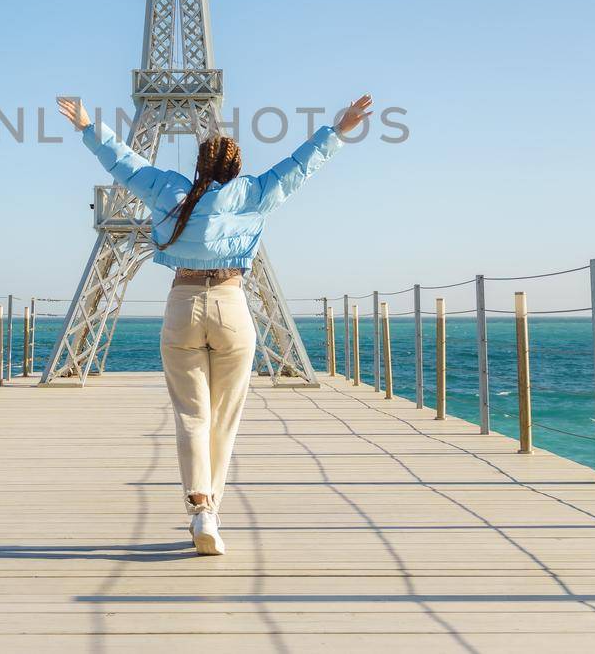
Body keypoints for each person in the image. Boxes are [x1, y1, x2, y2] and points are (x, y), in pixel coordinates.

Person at [55, 94, 372, 555]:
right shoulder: (254, 192)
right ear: (235, 168)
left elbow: (123, 163)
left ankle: (198, 504)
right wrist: (338, 129)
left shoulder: (167, 189)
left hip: (183, 303)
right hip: (231, 304)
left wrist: (89, 126)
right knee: (224, 418)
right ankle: (212, 512)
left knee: (191, 416)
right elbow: (301, 167)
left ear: (199, 165)